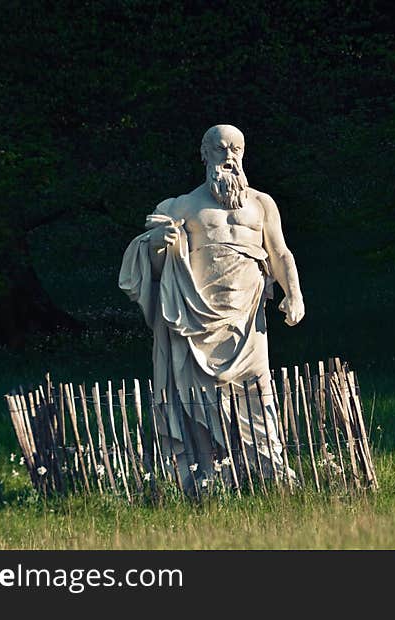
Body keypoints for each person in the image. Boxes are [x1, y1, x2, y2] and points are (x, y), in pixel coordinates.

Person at [119, 125, 304, 490]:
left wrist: (294, 293)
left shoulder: (262, 204)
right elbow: (154, 272)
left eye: (236, 149)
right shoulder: (180, 207)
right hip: (195, 321)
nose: (229, 156)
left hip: (248, 319)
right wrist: (158, 244)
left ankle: (269, 473)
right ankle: (207, 475)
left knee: (256, 392)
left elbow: (280, 253)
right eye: (221, 149)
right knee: (198, 401)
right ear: (205, 153)